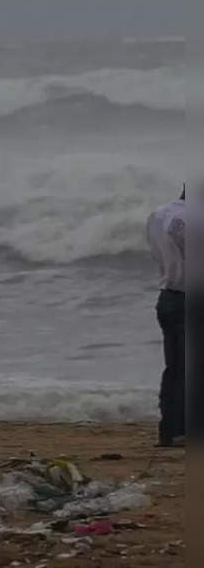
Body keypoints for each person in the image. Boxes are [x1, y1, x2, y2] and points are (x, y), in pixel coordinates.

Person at [146, 185, 186, 447]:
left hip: (169, 296)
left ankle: (171, 430)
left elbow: (157, 253)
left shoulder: (158, 215)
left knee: (175, 368)